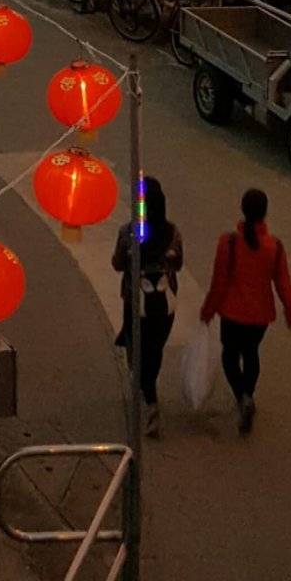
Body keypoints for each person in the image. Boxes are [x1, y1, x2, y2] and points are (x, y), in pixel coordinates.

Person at [200, 187, 291, 434]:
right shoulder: (274, 246)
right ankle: (248, 395)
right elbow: (283, 283)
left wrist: (208, 310)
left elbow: (219, 282)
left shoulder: (229, 243)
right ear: (265, 213)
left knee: (230, 356)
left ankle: (242, 395)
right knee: (251, 353)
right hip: (260, 317)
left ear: (242, 210)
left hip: (232, 314)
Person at [111, 178, 183, 435]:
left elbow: (117, 263)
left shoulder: (128, 232)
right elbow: (179, 264)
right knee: (154, 349)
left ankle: (150, 398)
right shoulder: (172, 232)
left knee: (137, 349)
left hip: (135, 302)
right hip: (165, 305)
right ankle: (149, 388)